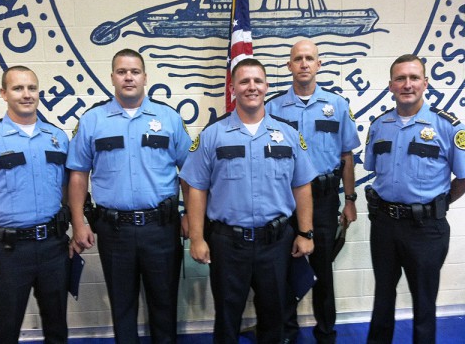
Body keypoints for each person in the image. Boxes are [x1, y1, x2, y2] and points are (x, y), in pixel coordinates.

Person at [180, 58, 318, 343]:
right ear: (232, 88)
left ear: (267, 86)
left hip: (276, 243)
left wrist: (305, 233)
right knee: (227, 317)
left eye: (257, 81)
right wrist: (196, 238)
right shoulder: (212, 135)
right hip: (228, 243)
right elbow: (197, 189)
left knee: (274, 315)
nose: (251, 87)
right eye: (244, 81)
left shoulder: (289, 135)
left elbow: (302, 186)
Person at [66, 48, 191, 343]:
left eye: (134, 71)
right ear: (112, 77)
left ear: (145, 77)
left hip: (161, 228)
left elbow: (191, 173)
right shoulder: (93, 121)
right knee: (122, 308)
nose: (129, 77)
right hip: (114, 230)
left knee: (164, 306)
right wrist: (79, 223)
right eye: (122, 72)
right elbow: (78, 176)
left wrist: (190, 217)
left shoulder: (169, 119)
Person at [364, 54, 465, 343]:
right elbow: (373, 169)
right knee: (382, 296)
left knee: (424, 302)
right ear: (390, 85)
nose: (407, 84)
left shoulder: (448, 126)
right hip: (384, 225)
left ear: (425, 82)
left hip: (426, 229)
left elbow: (464, 176)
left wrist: (438, 204)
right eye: (400, 78)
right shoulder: (380, 125)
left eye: (413, 77)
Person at [265, 39, 361, 343]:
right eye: (298, 59)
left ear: (319, 65)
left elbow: (346, 156)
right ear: (289, 65)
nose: (304, 64)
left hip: (322, 199)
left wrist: (349, 199)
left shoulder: (338, 106)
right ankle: (288, 332)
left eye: (310, 58)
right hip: (284, 201)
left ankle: (325, 333)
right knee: (283, 270)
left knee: (322, 270)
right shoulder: (273, 107)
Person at [0, 66, 70, 343]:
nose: (26, 95)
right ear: (3, 94)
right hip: (9, 252)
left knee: (57, 325)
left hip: (53, 247)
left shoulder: (57, 137)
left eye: (32, 88)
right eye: (18, 88)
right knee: (6, 328)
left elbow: (68, 189)